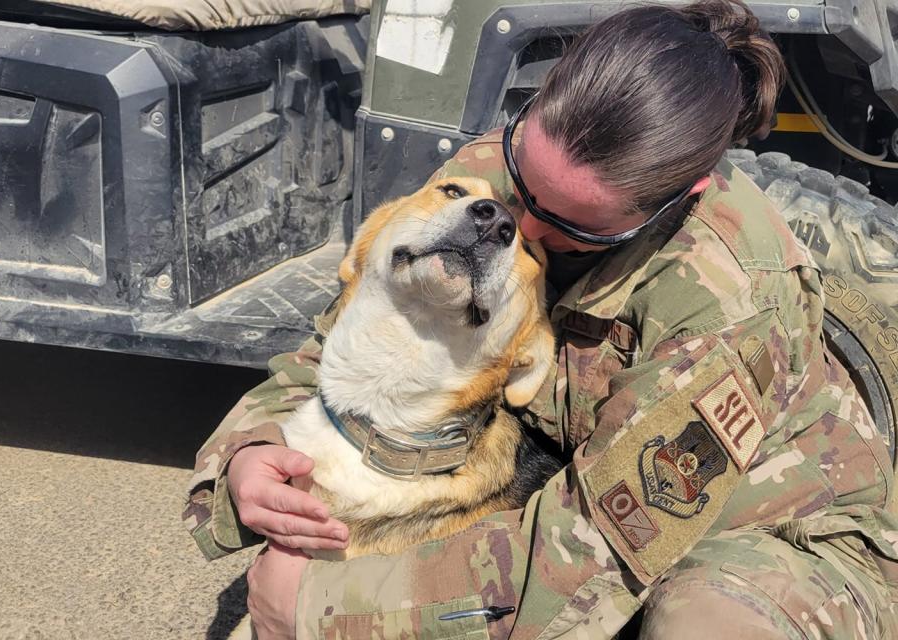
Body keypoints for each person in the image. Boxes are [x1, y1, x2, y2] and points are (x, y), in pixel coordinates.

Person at [184, 0, 898, 638]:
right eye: (524, 181)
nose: (517, 225)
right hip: (579, 477)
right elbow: (349, 331)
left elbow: (598, 549)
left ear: (685, 195)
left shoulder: (730, 298)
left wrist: (322, 607)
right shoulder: (489, 180)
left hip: (770, 532)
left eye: (572, 228)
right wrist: (247, 452)